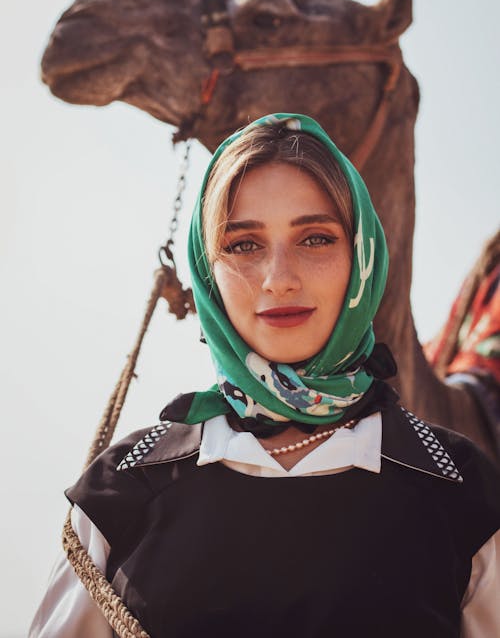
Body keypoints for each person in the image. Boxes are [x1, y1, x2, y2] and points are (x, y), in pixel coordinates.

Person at [30, 113, 500, 638]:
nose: (279, 279)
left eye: (316, 238)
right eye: (243, 245)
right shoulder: (120, 491)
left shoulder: (464, 493)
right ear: (207, 272)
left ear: (361, 255)